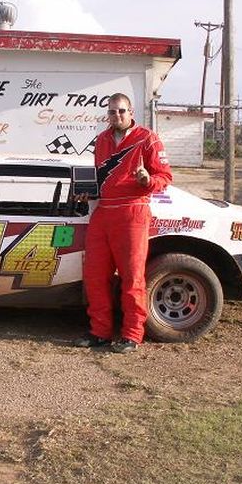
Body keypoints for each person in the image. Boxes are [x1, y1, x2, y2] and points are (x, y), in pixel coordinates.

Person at [74, 93, 172, 353]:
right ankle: (100, 332)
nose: (117, 116)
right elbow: (101, 179)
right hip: (103, 212)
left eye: (121, 111)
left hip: (133, 211)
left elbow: (165, 177)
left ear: (131, 112)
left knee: (132, 278)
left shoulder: (148, 138)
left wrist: (146, 181)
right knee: (95, 276)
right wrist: (88, 193)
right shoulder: (102, 139)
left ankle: (132, 334)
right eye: (112, 111)